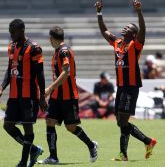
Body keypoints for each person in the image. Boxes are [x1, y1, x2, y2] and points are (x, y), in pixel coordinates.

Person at [94, 0, 157, 161]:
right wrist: (99, 13)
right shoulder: (117, 42)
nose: (124, 28)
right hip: (121, 87)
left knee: (123, 121)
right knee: (120, 122)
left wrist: (139, 12)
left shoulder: (135, 45)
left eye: (127, 27)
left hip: (131, 87)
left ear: (134, 34)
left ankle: (144, 144)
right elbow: (104, 31)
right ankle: (128, 152)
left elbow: (143, 31)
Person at [39, 26, 98, 164]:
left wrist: (49, 88)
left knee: (70, 127)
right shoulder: (57, 52)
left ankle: (91, 145)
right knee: (49, 121)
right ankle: (53, 157)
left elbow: (66, 72)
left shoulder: (63, 51)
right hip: (56, 96)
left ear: (51, 38)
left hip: (68, 96)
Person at [0, 19, 47, 167]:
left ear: (22, 30)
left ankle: (23, 161)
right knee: (7, 125)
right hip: (14, 96)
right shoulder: (12, 48)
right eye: (10, 32)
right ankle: (34, 150)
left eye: (13, 32)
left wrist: (42, 97)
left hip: (29, 96)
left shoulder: (34, 48)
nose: (11, 35)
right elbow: (10, 69)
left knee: (27, 127)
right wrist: (2, 86)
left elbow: (40, 74)